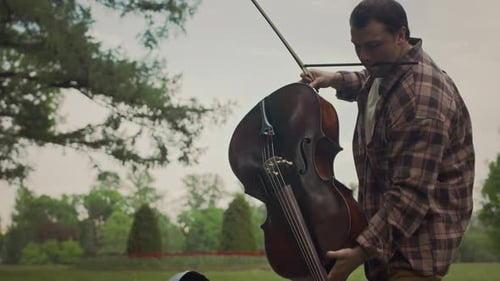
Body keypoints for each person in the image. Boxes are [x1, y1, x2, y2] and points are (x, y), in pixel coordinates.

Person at [300, 0, 475, 280]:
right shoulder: (389, 68)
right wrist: (335, 79)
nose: (364, 56)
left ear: (401, 35)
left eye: (372, 46)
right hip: (388, 244)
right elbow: (372, 81)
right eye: (357, 46)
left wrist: (359, 252)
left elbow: (411, 193)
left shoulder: (421, 99)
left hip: (415, 252)